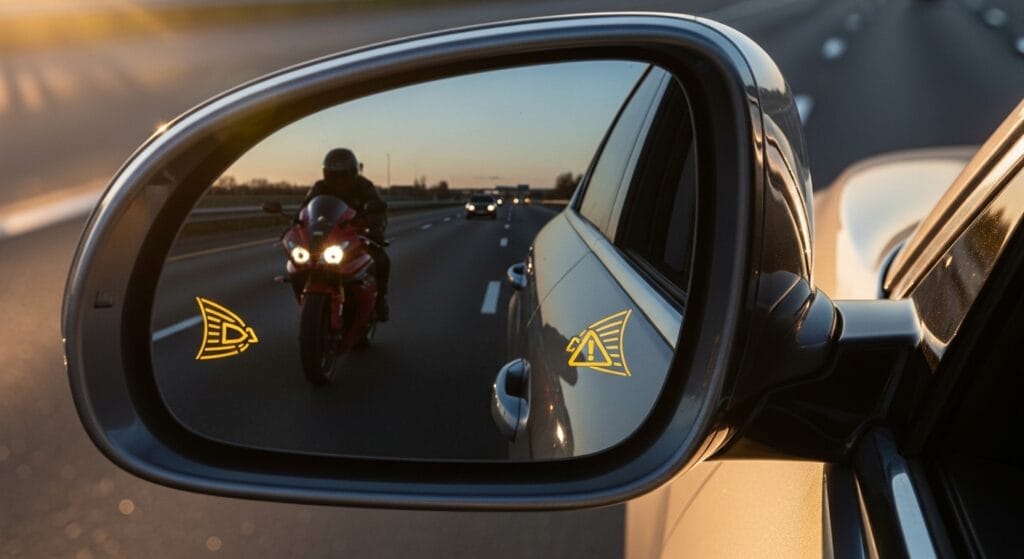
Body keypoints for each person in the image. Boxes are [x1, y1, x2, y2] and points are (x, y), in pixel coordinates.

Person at [302, 148, 390, 321]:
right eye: (334, 174)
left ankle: (379, 300)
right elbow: (305, 210)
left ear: (353, 172)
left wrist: (376, 229)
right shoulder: (320, 187)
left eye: (343, 174)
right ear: (326, 173)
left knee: (381, 260)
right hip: (328, 236)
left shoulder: (364, 186)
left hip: (356, 235)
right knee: (301, 264)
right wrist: (295, 225)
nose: (338, 179)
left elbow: (377, 208)